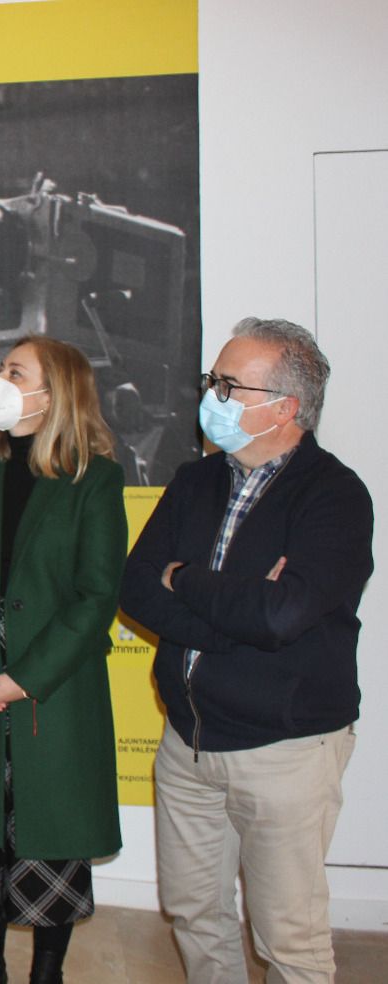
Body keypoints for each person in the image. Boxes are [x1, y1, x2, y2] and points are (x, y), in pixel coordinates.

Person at [119, 318, 372, 984]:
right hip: (186, 743)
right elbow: (137, 587)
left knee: (286, 936)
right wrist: (226, 615)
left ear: (285, 407)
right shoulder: (192, 480)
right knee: (195, 914)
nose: (210, 396)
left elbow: (281, 614)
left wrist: (187, 581)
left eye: (228, 385)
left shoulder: (334, 497)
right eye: (212, 381)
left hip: (282, 753)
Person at [0, 336, 126, 984]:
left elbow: (95, 598)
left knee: (50, 837)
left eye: (12, 371)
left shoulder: (95, 479)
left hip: (51, 696)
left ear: (52, 392)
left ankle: (45, 974)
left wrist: (25, 679)